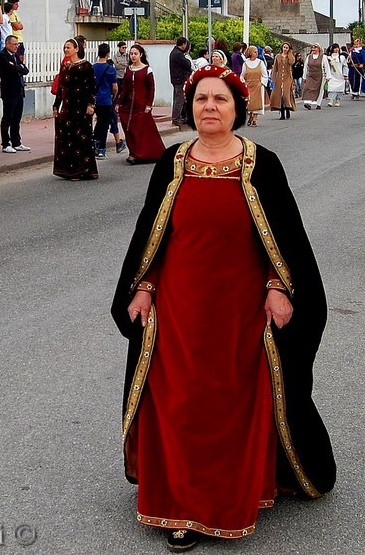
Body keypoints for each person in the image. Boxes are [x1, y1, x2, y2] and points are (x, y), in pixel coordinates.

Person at [111, 64, 336, 550]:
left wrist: (279, 286)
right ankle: (183, 509)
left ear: (237, 107)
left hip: (241, 307)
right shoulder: (172, 162)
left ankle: (237, 490)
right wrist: (144, 286)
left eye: (220, 99)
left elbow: (286, 238)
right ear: (190, 108)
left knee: (233, 402)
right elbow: (151, 236)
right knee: (182, 402)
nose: (209, 107)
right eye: (200, 100)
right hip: (181, 305)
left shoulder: (263, 163)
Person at [52, 39, 99, 180]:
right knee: (67, 138)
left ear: (76, 49)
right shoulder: (65, 67)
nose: (66, 50)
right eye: (64, 47)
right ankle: (68, 170)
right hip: (67, 108)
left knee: (80, 139)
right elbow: (61, 88)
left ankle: (82, 170)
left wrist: (91, 105)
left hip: (81, 108)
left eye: (68, 47)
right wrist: (56, 105)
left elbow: (91, 86)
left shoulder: (86, 66)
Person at [115, 45, 165, 165]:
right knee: (129, 129)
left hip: (141, 106)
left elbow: (151, 88)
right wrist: (118, 102)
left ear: (141, 55)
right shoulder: (128, 70)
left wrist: (149, 104)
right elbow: (125, 89)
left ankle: (144, 154)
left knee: (141, 130)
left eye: (135, 54)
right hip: (128, 106)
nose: (133, 56)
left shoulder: (147, 70)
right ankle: (134, 153)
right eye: (131, 54)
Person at [0, 35, 30, 154]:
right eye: (14, 44)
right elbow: (11, 69)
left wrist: (18, 67)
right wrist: (18, 68)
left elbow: (25, 70)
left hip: (19, 90)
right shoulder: (2, 56)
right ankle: (5, 143)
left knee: (16, 118)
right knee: (7, 118)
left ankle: (16, 142)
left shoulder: (15, 56)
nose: (17, 47)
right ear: (7, 44)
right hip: (9, 92)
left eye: (17, 44)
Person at [92, 44, 119, 160]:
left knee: (99, 122)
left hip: (95, 100)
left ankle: (94, 142)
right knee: (104, 125)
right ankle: (101, 149)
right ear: (108, 54)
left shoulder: (93, 68)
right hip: (107, 100)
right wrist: (113, 96)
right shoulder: (111, 69)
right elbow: (115, 87)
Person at [240, 45, 268, 128]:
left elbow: (265, 75)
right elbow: (242, 75)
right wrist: (244, 83)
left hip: (258, 86)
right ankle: (251, 115)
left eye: (257, 52)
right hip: (249, 85)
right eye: (255, 52)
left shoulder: (260, 62)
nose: (256, 53)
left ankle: (255, 119)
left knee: (257, 103)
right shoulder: (245, 64)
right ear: (250, 53)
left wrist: (262, 83)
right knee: (250, 103)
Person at [168, 37, 193, 130]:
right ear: (183, 45)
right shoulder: (178, 54)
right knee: (179, 99)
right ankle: (176, 118)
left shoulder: (175, 52)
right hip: (179, 79)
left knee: (177, 98)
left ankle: (177, 117)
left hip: (176, 79)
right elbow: (187, 64)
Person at [300, 44, 331, 110]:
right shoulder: (309, 57)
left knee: (319, 90)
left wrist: (328, 76)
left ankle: (318, 103)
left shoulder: (323, 57)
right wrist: (304, 77)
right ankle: (307, 102)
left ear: (319, 49)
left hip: (320, 76)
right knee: (308, 88)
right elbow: (305, 67)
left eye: (315, 47)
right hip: (310, 75)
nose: (313, 49)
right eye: (313, 47)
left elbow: (327, 67)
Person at [270, 42, 296, 120]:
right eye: (284, 47)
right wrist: (273, 78)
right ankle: (282, 113)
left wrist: (290, 53)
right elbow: (275, 69)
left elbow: (292, 62)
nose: (285, 49)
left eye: (287, 48)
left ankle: (288, 108)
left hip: (287, 78)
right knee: (279, 95)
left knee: (285, 95)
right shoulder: (278, 56)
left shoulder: (290, 57)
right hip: (279, 78)